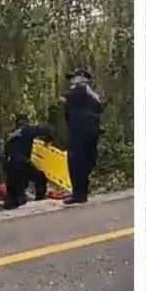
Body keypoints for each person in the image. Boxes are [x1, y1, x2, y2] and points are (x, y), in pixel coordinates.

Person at [59, 68, 102, 205]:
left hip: (79, 129)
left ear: (82, 78)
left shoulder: (80, 88)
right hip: (92, 130)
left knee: (75, 160)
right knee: (86, 160)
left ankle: (78, 194)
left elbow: (62, 100)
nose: (71, 80)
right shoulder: (94, 95)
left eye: (74, 77)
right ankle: (82, 192)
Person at [3, 114, 53, 208]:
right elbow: (47, 129)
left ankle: (12, 204)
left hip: (10, 165)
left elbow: (5, 152)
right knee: (40, 178)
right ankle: (40, 202)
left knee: (14, 189)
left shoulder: (11, 135)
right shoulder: (27, 130)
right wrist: (48, 140)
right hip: (22, 162)